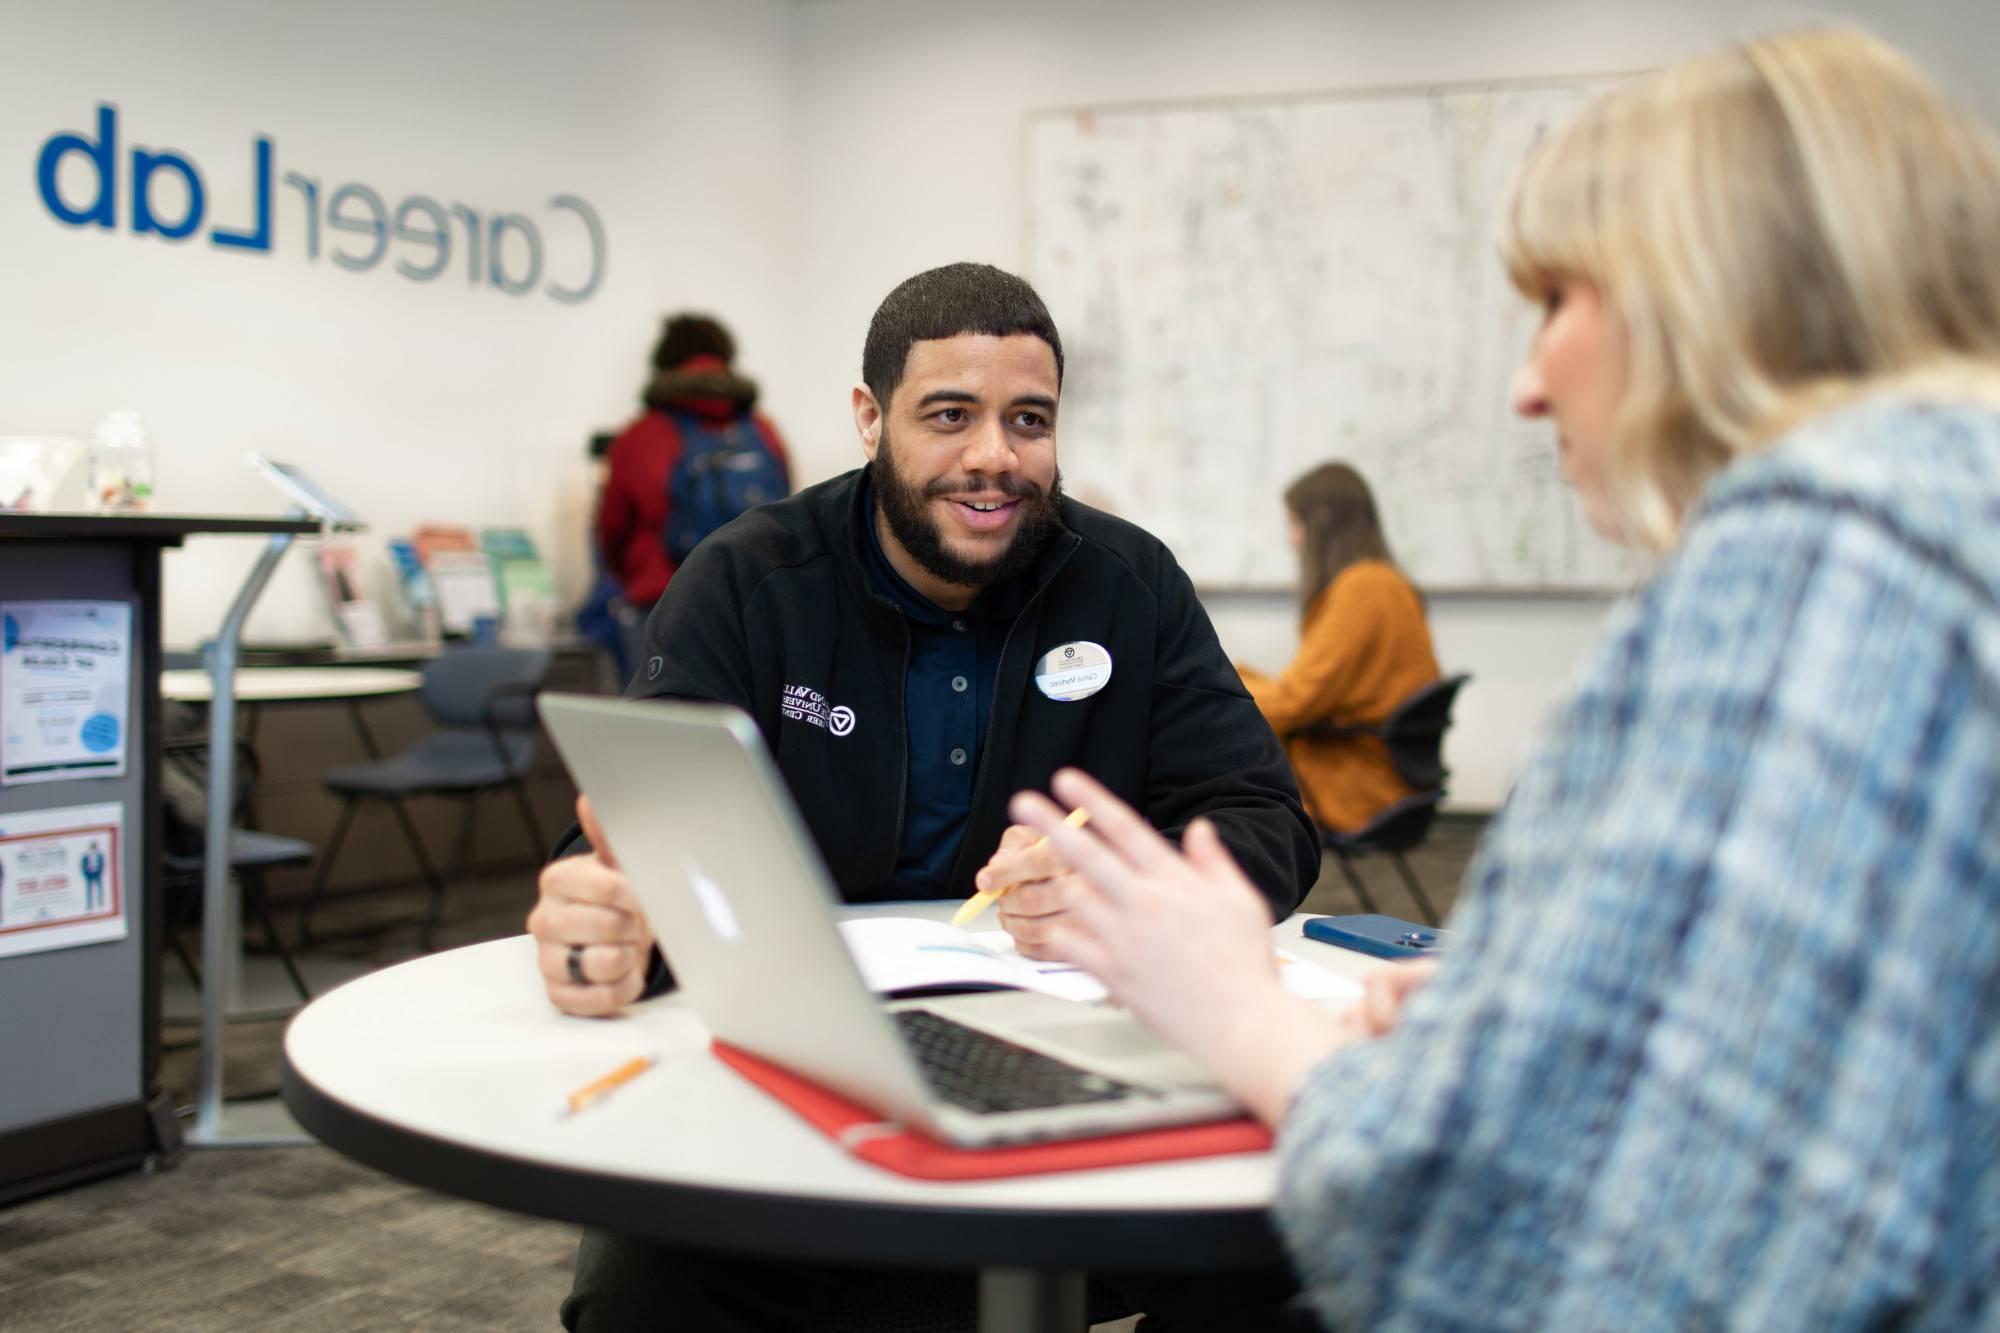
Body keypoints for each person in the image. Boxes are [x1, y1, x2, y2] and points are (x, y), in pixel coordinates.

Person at [1008, 27, 2000, 1331]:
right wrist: (1539, 1015)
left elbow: (1558, 1263)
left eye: (1560, 301)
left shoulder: (1822, 553)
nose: (1528, 386)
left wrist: (1230, 1002)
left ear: (1720, 288)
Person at [530, 262, 1321, 1331]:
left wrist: (1121, 884)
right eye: (949, 415)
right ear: (868, 419)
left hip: (1069, 1061)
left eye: (1027, 419)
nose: (992, 457)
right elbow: (637, 846)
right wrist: (607, 918)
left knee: (1312, 1254)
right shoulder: (747, 582)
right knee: (639, 1299)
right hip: (800, 1068)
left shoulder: (1128, 584)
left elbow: (1264, 818)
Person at [1236, 463, 1440, 831]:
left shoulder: (1361, 590)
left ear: (1322, 522)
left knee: (1198, 773)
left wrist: (1215, 688)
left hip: (1352, 782)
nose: (1292, 539)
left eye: (1294, 524)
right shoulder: (1386, 582)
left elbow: (1295, 702)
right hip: (1380, 771)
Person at [595, 313, 792, 612]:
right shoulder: (762, 431)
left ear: (663, 365)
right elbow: (786, 509)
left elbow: (611, 532)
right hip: (751, 600)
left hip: (662, 601)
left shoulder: (641, 435)